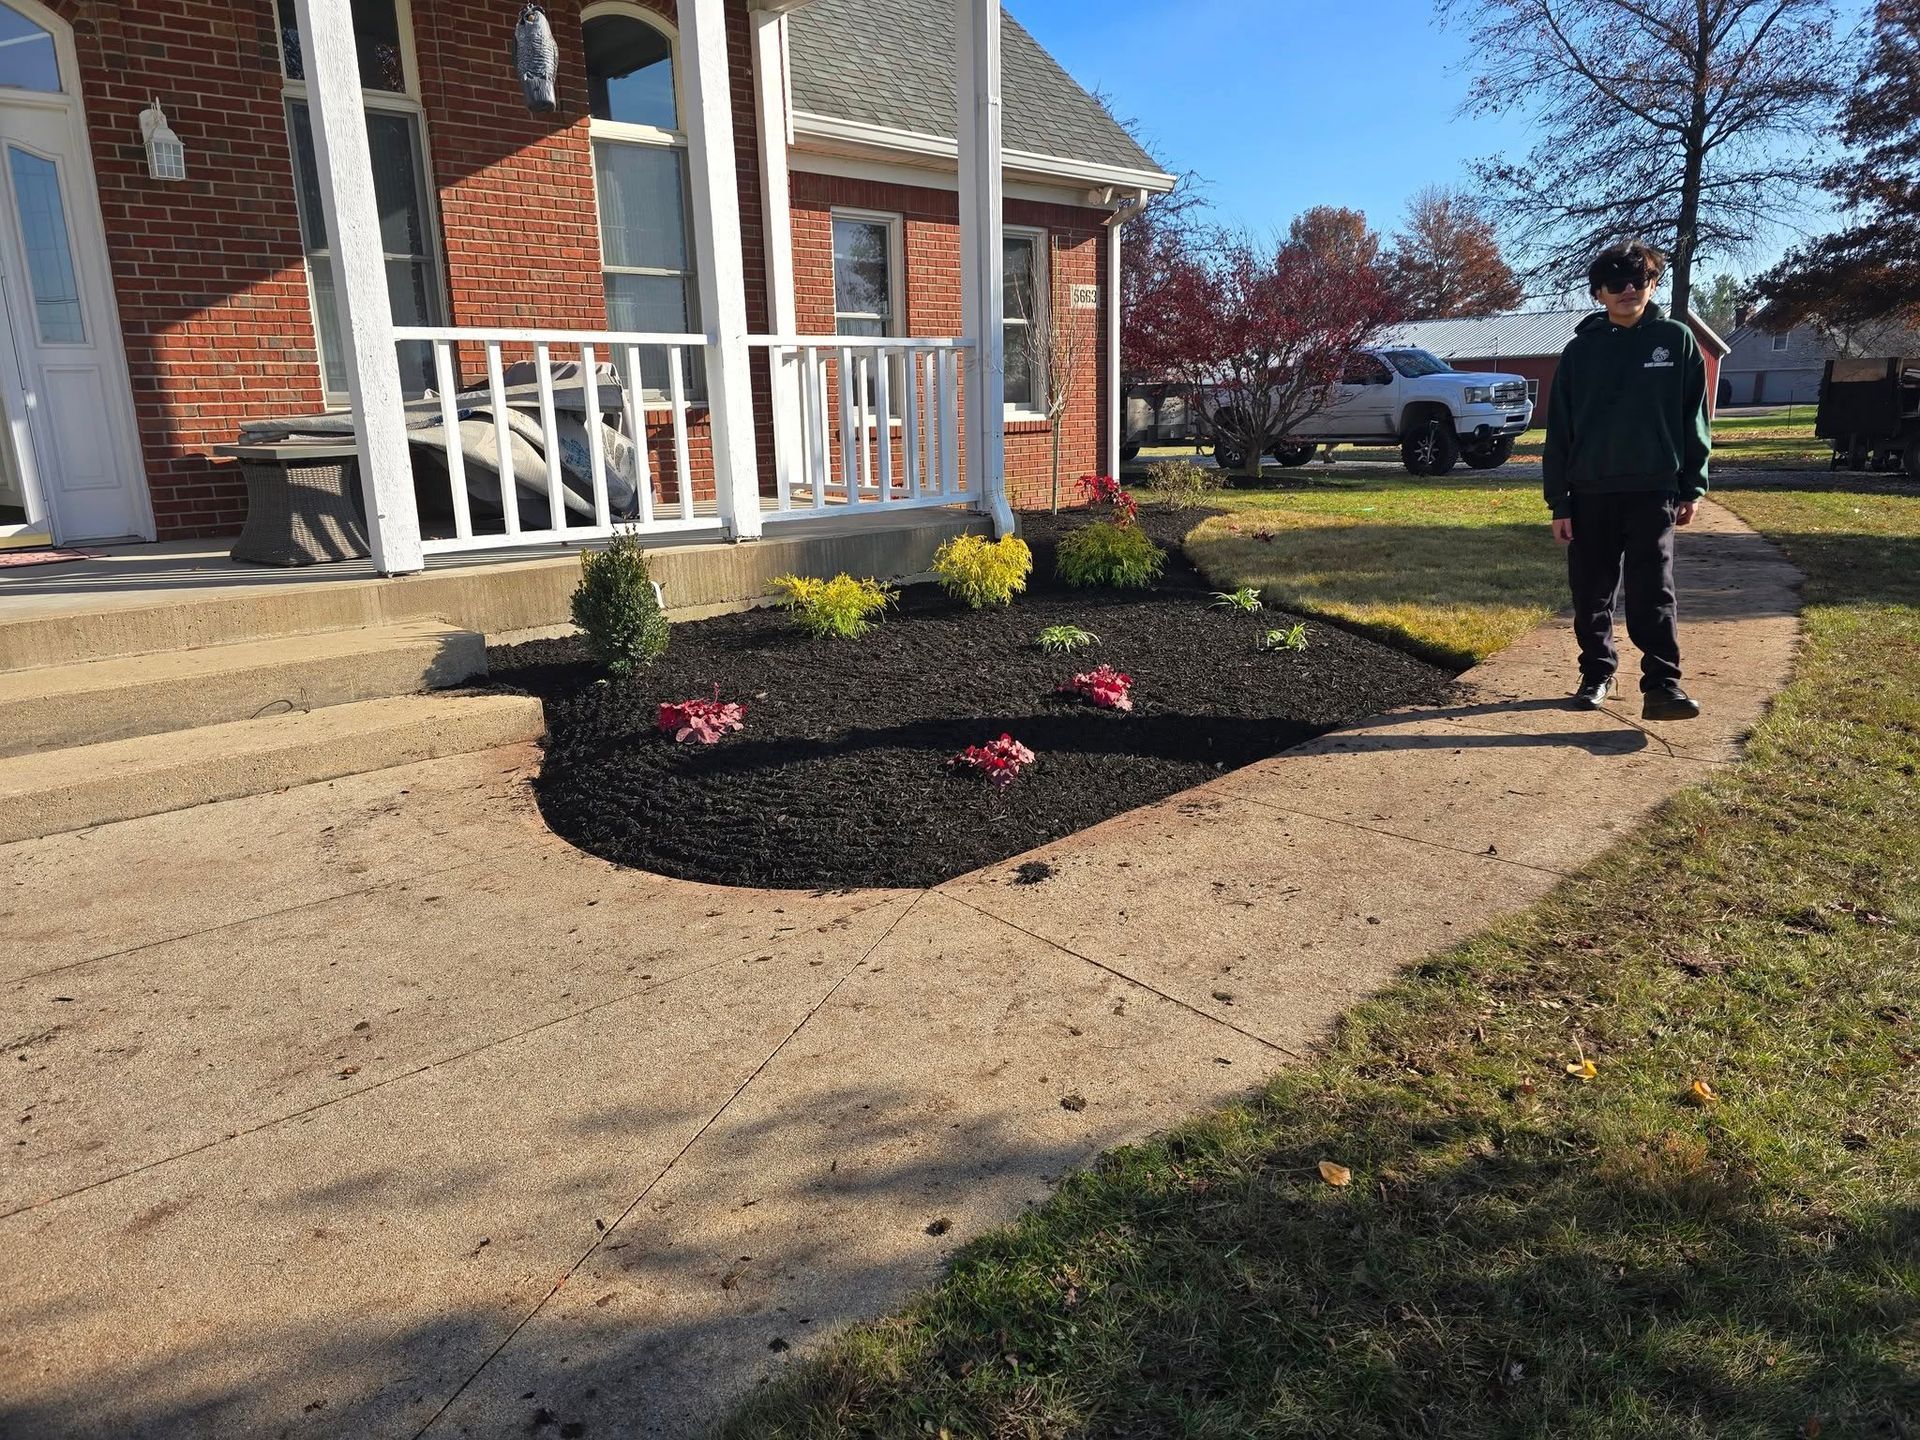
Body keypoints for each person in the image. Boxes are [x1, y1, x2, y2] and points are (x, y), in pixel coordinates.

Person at [1543, 240, 1711, 721]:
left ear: (1652, 285)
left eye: (1638, 281)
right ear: (1599, 293)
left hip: (1653, 488)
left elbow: (1693, 418)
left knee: (1652, 589)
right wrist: (1560, 501)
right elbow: (1561, 431)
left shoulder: (1676, 341)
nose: (1628, 291)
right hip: (1590, 491)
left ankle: (1662, 684)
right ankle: (1597, 671)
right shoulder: (1579, 353)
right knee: (1590, 591)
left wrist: (1692, 485)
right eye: (1616, 284)